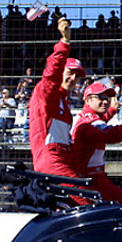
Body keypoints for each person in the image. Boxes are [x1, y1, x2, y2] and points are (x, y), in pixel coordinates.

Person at [28, 17, 87, 185]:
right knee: (85, 199)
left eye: (77, 76)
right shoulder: (46, 92)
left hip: (61, 159)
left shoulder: (64, 101)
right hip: (50, 160)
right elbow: (51, 73)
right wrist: (64, 43)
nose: (74, 78)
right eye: (70, 73)